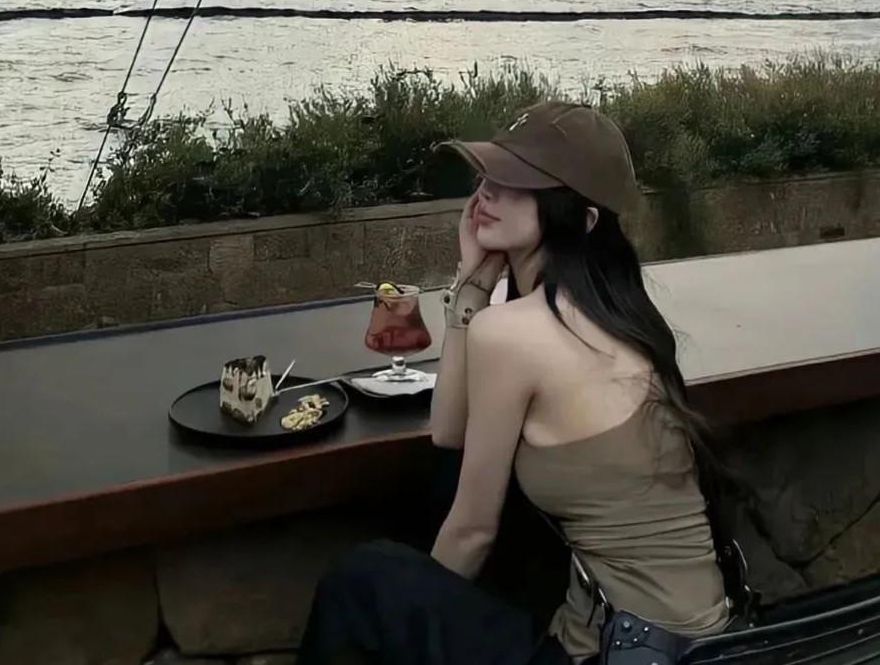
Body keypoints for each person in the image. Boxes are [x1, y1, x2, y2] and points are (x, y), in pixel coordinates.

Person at [297, 102, 731, 665]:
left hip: (613, 654)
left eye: (517, 183)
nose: (485, 193)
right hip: (699, 642)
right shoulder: (625, 318)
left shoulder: (516, 333)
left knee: (364, 581)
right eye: (488, 174)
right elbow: (451, 434)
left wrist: (415, 614)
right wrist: (473, 286)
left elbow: (471, 532)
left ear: (581, 219)